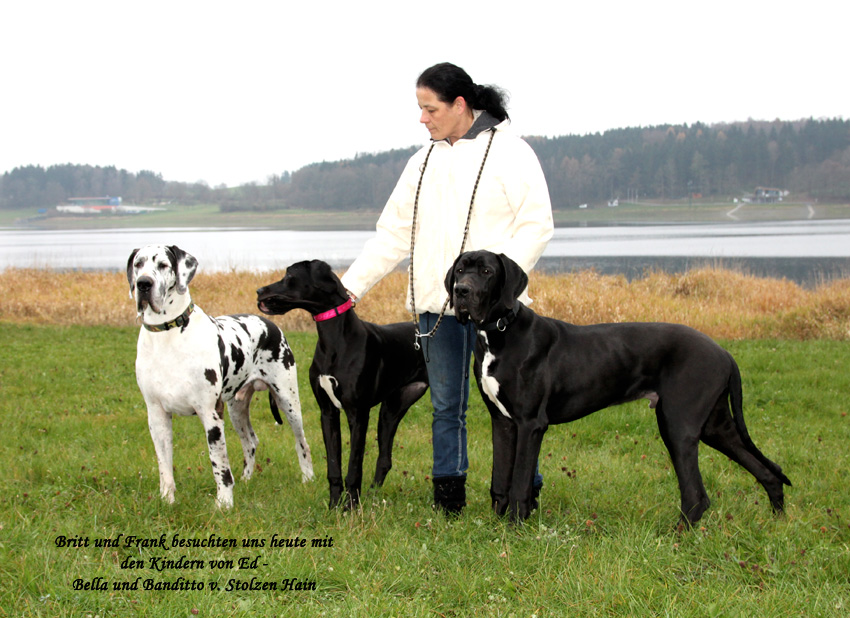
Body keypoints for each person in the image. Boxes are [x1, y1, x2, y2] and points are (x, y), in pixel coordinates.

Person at [341, 62, 553, 514]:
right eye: (420, 109)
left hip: (499, 313)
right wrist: (349, 289)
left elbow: (536, 224)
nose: (422, 118)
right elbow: (392, 234)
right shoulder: (421, 162)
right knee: (445, 406)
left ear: (460, 105)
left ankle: (524, 493)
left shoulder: (511, 152)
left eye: (430, 108)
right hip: (437, 308)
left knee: (517, 406)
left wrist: (503, 289)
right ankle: (448, 497)